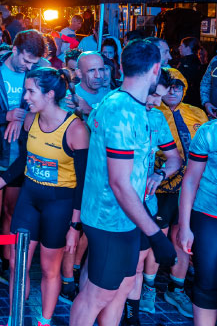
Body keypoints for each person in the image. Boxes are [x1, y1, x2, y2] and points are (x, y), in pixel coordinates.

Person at [70, 40, 178, 326]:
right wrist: (155, 234)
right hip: (109, 220)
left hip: (125, 218)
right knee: (97, 296)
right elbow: (119, 183)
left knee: (121, 291)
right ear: (156, 69)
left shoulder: (128, 103)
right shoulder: (121, 109)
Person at [0, 68, 89, 326]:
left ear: (50, 94)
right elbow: (23, 160)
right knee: (16, 264)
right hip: (29, 198)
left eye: (31, 91)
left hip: (60, 204)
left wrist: (74, 227)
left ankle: (44, 321)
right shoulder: (29, 120)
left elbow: (82, 183)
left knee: (49, 269)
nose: (25, 97)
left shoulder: (75, 129)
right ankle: (15, 320)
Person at [0, 29, 46, 298]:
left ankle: (6, 264)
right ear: (14, 50)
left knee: (11, 214)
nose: (29, 67)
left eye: (33, 63)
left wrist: (22, 115)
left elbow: (41, 106)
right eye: (26, 61)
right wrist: (6, 115)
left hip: (22, 155)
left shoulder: (36, 73)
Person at [139, 69, 204, 318]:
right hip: (163, 187)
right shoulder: (153, 112)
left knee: (183, 239)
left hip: (193, 188)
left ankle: (176, 290)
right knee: (160, 235)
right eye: (171, 85)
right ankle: (148, 287)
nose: (175, 90)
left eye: (179, 85)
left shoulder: (197, 113)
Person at [122, 68, 182, 325]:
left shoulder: (157, 119)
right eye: (155, 95)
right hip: (112, 205)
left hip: (146, 203)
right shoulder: (116, 110)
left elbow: (174, 159)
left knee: (136, 266)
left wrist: (159, 174)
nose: (158, 102)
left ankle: (131, 316)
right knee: (109, 268)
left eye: (162, 96)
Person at [177, 117, 217, 326]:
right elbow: (191, 179)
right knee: (206, 283)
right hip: (208, 215)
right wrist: (184, 226)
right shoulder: (209, 131)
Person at [62, 52, 109, 117]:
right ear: (79, 73)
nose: (98, 75)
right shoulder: (70, 98)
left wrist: (88, 109)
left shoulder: (111, 96)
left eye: (101, 69)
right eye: (91, 70)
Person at [176, 37, 203, 106]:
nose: (179, 48)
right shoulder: (195, 61)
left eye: (181, 46)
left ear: (188, 48)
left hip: (187, 99)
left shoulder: (190, 62)